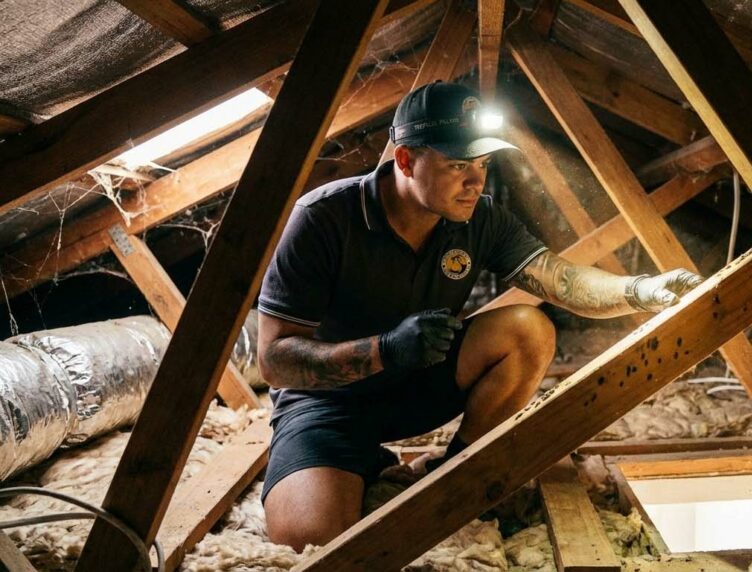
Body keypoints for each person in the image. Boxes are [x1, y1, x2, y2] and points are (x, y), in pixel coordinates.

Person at [256, 82, 702, 550]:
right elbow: (274, 362)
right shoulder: (325, 218)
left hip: (416, 387)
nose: (476, 182)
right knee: (309, 543)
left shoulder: (479, 218)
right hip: (329, 405)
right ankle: (356, 468)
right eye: (457, 166)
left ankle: (455, 469)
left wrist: (642, 289)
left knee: (527, 328)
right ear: (406, 160)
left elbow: (560, 280)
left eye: (483, 165)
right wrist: (383, 350)